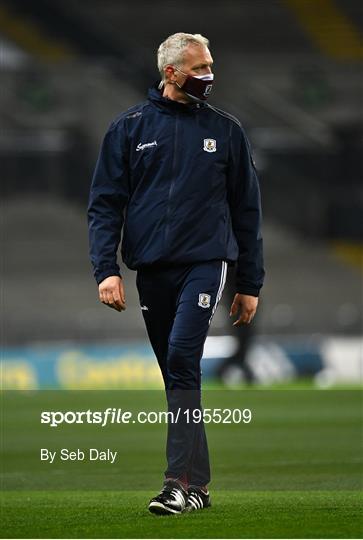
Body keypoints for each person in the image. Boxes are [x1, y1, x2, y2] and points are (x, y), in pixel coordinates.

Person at [88, 32, 265, 515]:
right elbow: (104, 206)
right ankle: (201, 486)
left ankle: (175, 484)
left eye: (210, 65)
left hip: (205, 266)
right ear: (170, 72)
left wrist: (249, 282)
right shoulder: (128, 129)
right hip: (152, 271)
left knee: (183, 359)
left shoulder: (227, 131)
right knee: (176, 376)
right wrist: (107, 270)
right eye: (200, 67)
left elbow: (247, 211)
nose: (210, 74)